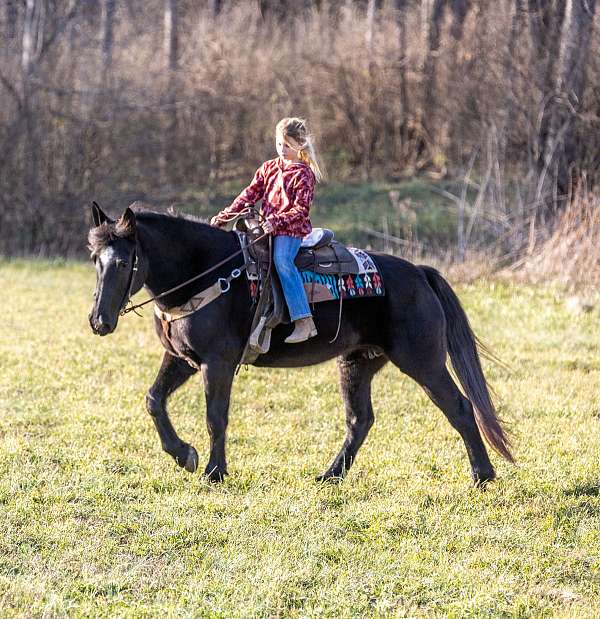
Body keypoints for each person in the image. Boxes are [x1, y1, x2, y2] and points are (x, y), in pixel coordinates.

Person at [210, 117, 324, 343]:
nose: (282, 149)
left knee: (281, 261)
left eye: (288, 145)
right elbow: (249, 195)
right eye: (279, 144)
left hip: (290, 230)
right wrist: (225, 216)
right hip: (265, 228)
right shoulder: (269, 168)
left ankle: (304, 320)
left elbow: (300, 210)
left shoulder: (304, 174)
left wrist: (277, 222)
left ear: (300, 145)